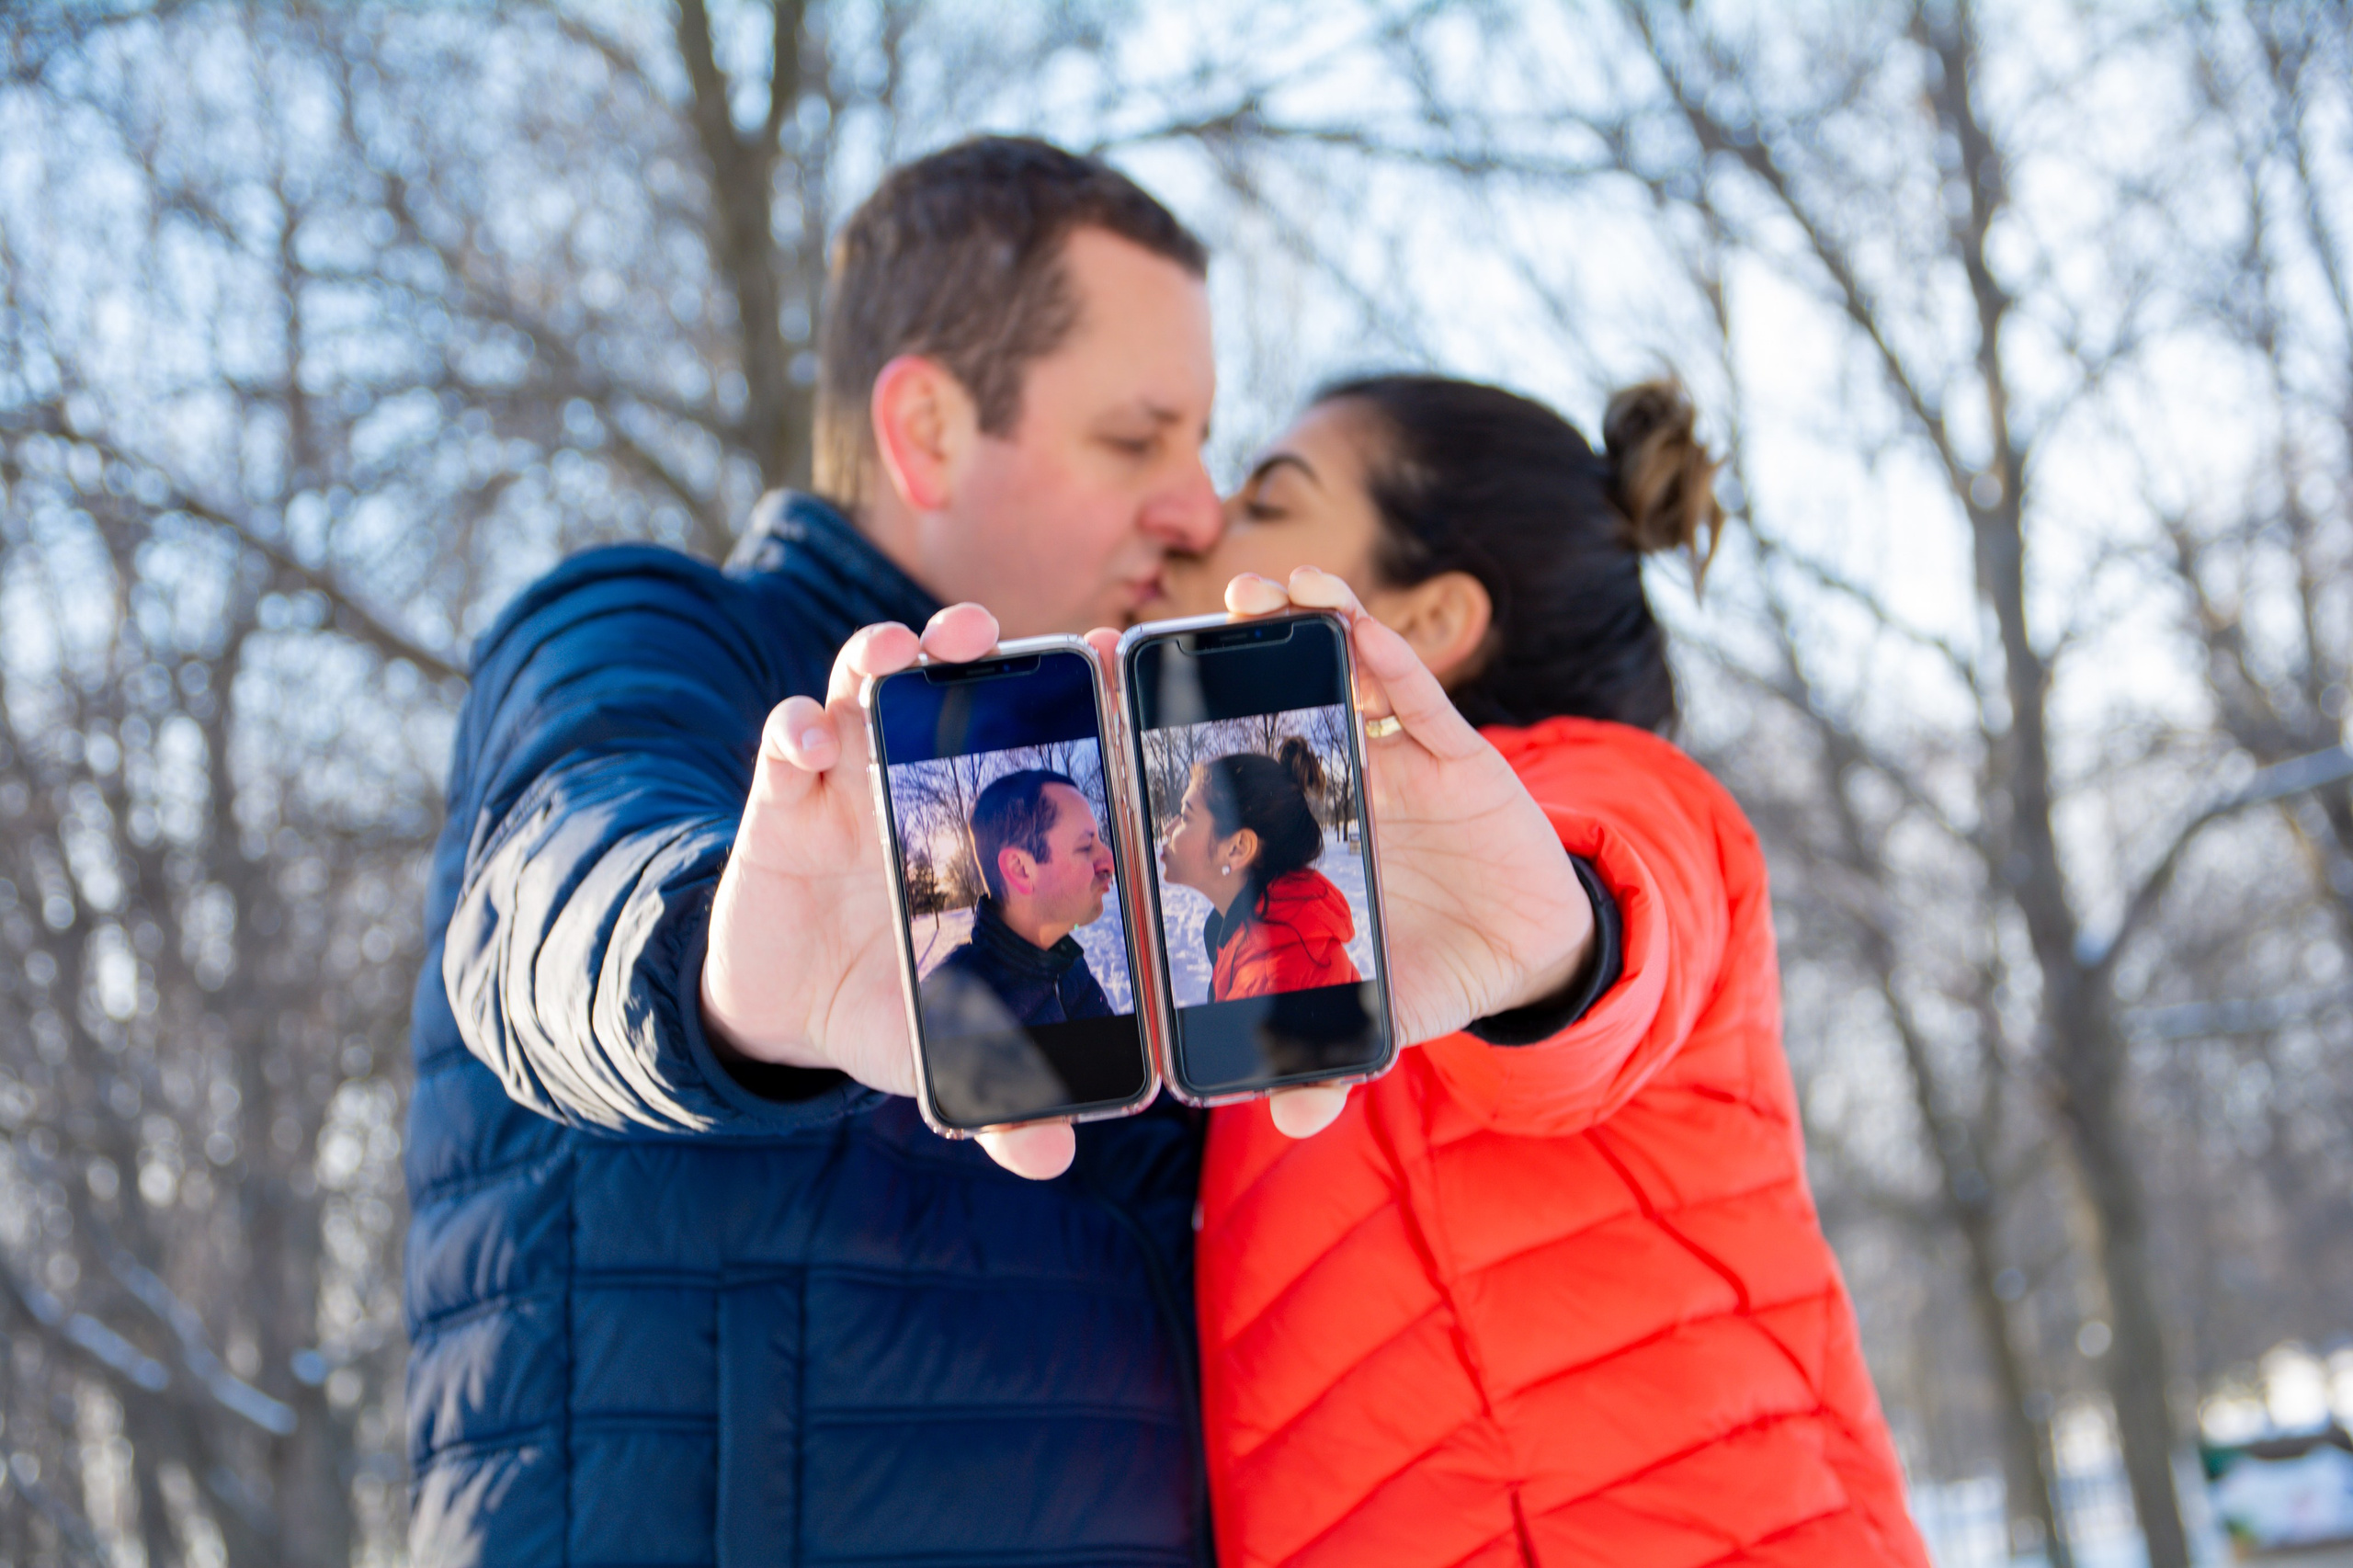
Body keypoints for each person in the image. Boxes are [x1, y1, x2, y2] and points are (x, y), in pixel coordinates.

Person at [407, 138, 1229, 1565]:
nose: (1200, 506)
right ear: (925, 430)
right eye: (1137, 437)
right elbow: (558, 874)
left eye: (1204, 442)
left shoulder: (1132, 807)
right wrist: (720, 973)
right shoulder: (656, 636)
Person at [1158, 378, 1934, 1564]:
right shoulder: (1254, 893)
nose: (1205, 517)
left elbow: (1616, 912)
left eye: (1268, 498)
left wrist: (1552, 956)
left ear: (1424, 621)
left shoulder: (1610, 787)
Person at [1158, 738, 1360, 1000]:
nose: (1168, 828)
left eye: (1185, 817)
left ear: (1237, 848)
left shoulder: (1267, 984)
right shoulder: (1229, 929)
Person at [922, 768, 1116, 1028]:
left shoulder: (1068, 962)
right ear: (1021, 870)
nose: (1109, 862)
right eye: (1085, 847)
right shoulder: (944, 1015)